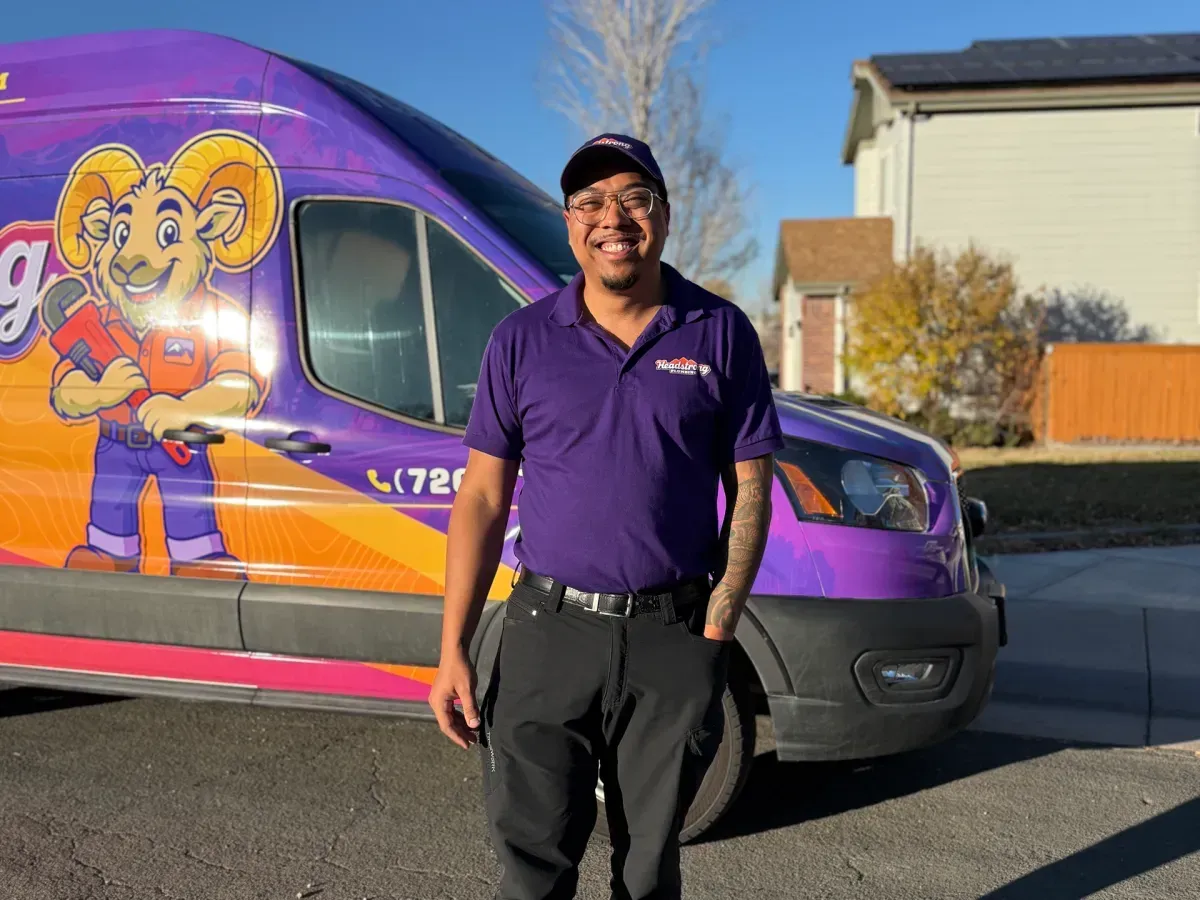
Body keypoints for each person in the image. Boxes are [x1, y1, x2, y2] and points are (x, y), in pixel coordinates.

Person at [429, 133, 783, 900]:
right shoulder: (521, 340)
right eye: (590, 202)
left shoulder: (721, 334)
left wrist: (716, 634)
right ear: (569, 225)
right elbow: (484, 499)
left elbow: (751, 490)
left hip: (671, 639)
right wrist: (452, 645)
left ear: (662, 215)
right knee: (532, 867)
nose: (611, 217)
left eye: (632, 198)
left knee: (650, 872)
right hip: (545, 636)